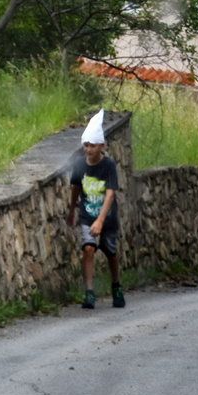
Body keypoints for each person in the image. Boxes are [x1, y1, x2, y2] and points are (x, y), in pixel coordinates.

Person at [67, 109, 124, 310]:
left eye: (92, 146)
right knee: (89, 249)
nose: (89, 150)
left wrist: (100, 221)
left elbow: (110, 194)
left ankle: (116, 285)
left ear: (102, 146)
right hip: (86, 214)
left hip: (107, 218)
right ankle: (89, 292)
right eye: (86, 145)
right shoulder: (80, 165)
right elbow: (75, 187)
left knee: (110, 252)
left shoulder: (108, 166)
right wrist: (72, 210)